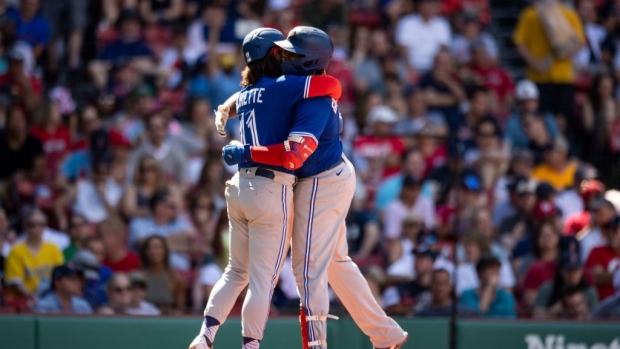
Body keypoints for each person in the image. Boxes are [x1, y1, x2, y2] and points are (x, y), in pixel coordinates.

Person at [195, 27, 407, 349]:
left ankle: (316, 345)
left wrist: (245, 146)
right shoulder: (295, 85)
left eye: (292, 53)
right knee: (336, 263)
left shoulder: (313, 93)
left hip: (321, 180)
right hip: (321, 177)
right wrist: (227, 107)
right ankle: (386, 335)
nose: (284, 55)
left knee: (306, 268)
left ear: (309, 62)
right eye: (282, 51)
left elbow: (294, 154)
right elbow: (266, 92)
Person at [190, 27, 342, 349]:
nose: (287, 55)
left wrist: (222, 110)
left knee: (235, 271)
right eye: (282, 51)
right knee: (262, 281)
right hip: (271, 188)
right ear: (274, 54)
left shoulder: (247, 91)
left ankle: (205, 335)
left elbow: (237, 98)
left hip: (239, 186)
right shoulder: (285, 87)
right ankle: (250, 345)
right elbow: (332, 85)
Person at [4, 207, 64, 302]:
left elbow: (60, 277)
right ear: (25, 226)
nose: (37, 228)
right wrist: (35, 297)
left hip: (50, 299)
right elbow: (15, 282)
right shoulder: (15, 250)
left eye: (41, 225)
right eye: (32, 225)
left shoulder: (53, 249)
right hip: (23, 301)